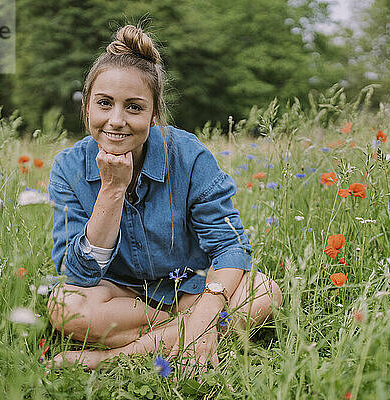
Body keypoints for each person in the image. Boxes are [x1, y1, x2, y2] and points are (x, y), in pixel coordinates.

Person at [46, 23, 282, 373]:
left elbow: (231, 247)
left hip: (191, 286)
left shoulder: (188, 155)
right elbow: (79, 275)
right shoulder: (68, 167)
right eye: (105, 104)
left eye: (134, 108)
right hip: (122, 298)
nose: (116, 120)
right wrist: (111, 189)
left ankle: (111, 358)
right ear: (87, 109)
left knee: (266, 294)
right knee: (64, 308)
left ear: (154, 113)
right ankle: (192, 334)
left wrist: (203, 308)